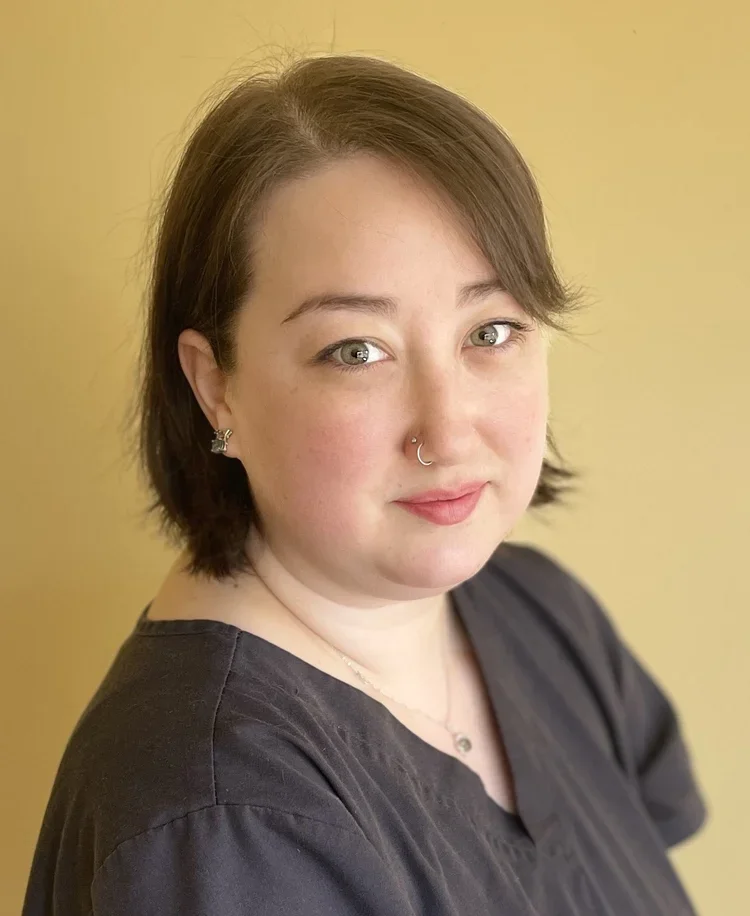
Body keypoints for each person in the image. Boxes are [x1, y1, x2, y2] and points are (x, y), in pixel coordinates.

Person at [22, 53, 707, 915]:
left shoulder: (540, 614)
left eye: (491, 330)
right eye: (357, 351)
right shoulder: (216, 820)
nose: (448, 428)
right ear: (215, 385)